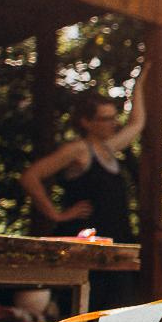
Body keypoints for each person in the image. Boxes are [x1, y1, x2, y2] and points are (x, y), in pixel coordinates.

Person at [21, 70, 144, 245]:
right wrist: (56, 214)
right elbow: (30, 177)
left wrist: (139, 83)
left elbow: (136, 124)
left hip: (113, 240)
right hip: (84, 241)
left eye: (114, 118)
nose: (113, 124)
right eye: (106, 119)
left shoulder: (109, 148)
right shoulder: (77, 150)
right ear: (86, 122)